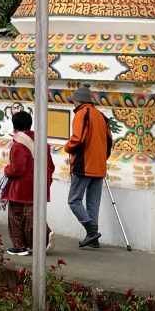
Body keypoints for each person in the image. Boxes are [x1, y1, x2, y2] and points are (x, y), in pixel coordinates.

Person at [1, 110, 55, 257]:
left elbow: (17, 169)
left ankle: (20, 247)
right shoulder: (42, 141)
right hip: (39, 185)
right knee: (33, 215)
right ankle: (43, 238)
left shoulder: (18, 144)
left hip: (21, 188)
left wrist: (6, 169)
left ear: (15, 127)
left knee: (16, 217)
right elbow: (51, 166)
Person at [64, 84, 112, 248]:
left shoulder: (81, 114)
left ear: (78, 100)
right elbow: (109, 141)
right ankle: (93, 239)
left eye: (73, 100)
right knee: (93, 203)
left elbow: (77, 139)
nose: (73, 103)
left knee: (74, 201)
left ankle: (91, 231)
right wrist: (102, 159)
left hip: (84, 164)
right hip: (99, 165)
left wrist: (67, 147)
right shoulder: (101, 115)